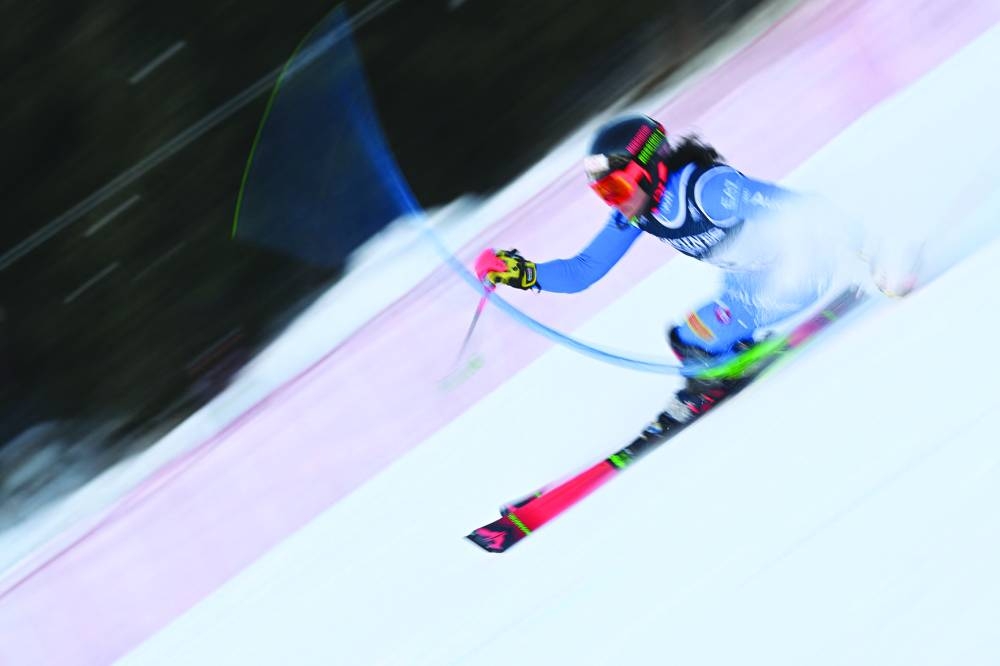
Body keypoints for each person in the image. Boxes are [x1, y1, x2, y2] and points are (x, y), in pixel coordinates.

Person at [475, 114, 888, 387]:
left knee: (703, 350)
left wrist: (867, 248)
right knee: (686, 340)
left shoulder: (709, 191)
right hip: (744, 286)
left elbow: (801, 210)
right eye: (604, 193)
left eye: (616, 187)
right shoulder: (638, 211)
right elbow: (583, 270)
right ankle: (730, 361)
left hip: (799, 271)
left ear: (649, 168)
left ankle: (728, 365)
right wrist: (522, 273)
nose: (615, 202)